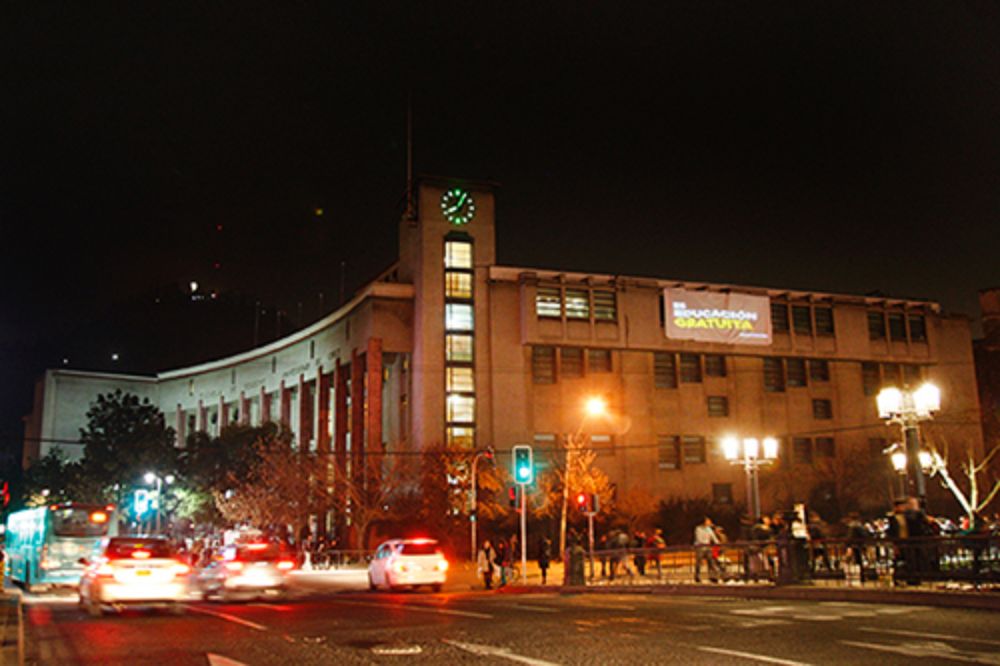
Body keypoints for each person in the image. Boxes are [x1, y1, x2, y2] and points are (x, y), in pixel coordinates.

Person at [694, 517, 721, 583]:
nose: (709, 522)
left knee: (711, 561)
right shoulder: (698, 529)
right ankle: (697, 576)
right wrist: (704, 543)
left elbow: (713, 537)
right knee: (699, 563)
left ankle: (712, 576)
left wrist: (717, 543)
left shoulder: (709, 529)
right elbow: (699, 538)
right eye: (708, 521)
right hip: (700, 547)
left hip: (707, 547)